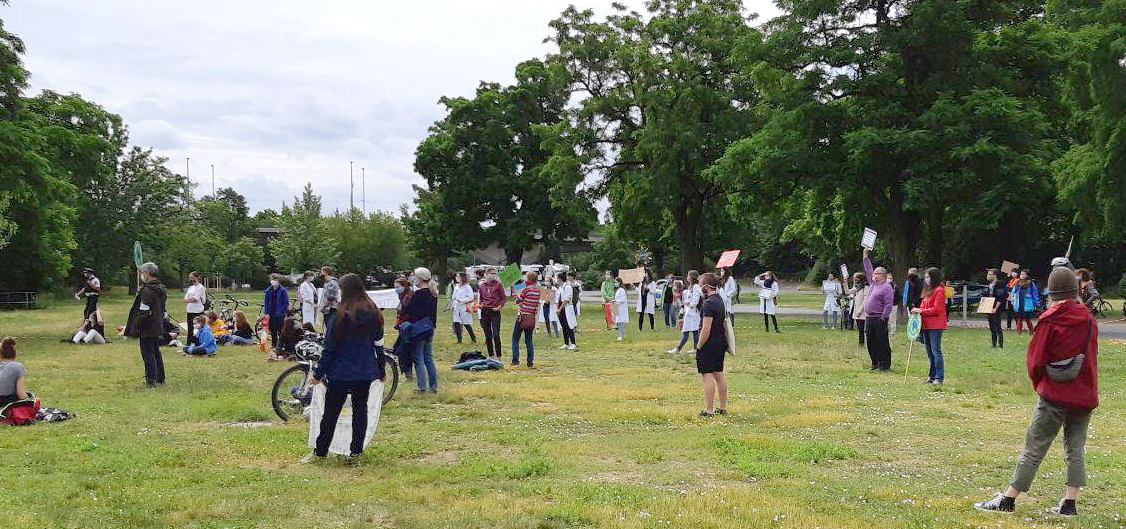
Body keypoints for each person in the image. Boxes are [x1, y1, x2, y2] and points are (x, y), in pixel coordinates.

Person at [974, 267, 1098, 517]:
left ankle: (1008, 499)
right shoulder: (1088, 318)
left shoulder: (1050, 320)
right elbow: (1092, 357)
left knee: (1034, 446)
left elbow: (1035, 361)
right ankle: (1069, 503)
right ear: (1074, 291)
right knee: (1075, 448)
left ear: (1052, 291)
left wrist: (1041, 385)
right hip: (1084, 393)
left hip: (1055, 395)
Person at [302, 272, 386, 464]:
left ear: (345, 291)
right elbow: (379, 345)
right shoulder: (374, 313)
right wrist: (381, 370)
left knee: (330, 413)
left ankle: (320, 452)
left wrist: (318, 373)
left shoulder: (339, 316)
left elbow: (330, 349)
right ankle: (355, 453)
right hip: (364, 371)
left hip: (340, 372)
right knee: (360, 411)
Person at [125, 262, 168, 387]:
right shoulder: (161, 288)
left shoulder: (147, 290)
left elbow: (143, 311)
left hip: (147, 326)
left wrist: (135, 326)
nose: (141, 275)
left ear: (147, 273)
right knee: (156, 352)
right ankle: (160, 378)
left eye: (142, 273)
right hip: (157, 324)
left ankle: (151, 381)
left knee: (148, 354)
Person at [696, 273, 729, 418]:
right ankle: (722, 408)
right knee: (719, 374)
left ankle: (709, 410)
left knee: (707, 376)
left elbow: (706, 328)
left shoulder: (708, 303)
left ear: (706, 286)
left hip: (709, 343)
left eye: (700, 284)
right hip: (720, 342)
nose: (699, 287)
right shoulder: (719, 300)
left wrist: (699, 345)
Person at [405, 267, 439, 393]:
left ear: (419, 278)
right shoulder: (433, 293)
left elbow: (409, 311)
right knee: (428, 357)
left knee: (418, 358)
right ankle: (434, 386)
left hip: (418, 329)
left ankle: (422, 387)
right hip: (429, 327)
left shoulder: (418, 294)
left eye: (414, 276)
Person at [912, 267, 947, 384]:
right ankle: (932, 376)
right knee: (930, 352)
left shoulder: (939, 290)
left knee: (936, 351)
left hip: (936, 326)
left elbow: (937, 309)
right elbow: (923, 306)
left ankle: (939, 377)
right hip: (926, 325)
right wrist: (917, 310)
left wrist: (921, 311)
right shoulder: (928, 291)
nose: (926, 279)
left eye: (928, 277)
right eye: (925, 277)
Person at [862, 248, 894, 371]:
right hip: (869, 317)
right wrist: (865, 255)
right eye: (874, 273)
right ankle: (874, 363)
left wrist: (883, 317)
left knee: (882, 342)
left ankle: (884, 364)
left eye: (877, 274)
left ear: (883, 276)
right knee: (871, 341)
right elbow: (868, 269)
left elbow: (888, 304)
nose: (874, 275)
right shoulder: (873, 284)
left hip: (879, 318)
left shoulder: (886, 287)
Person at [511, 271, 541, 367]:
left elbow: (518, 300)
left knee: (515, 338)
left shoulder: (526, 289)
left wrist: (515, 293)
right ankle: (530, 362)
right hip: (531, 317)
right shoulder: (537, 290)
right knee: (529, 340)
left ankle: (515, 361)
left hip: (522, 316)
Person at [669, 270, 701, 354]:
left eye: (688, 276)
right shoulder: (691, 287)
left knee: (687, 331)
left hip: (692, 313)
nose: (687, 277)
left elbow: (696, 298)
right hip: (689, 312)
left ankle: (678, 349)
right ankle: (695, 348)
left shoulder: (696, 286)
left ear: (692, 277)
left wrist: (691, 304)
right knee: (694, 331)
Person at [478, 267, 506, 358]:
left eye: (495, 273)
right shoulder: (482, 285)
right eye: (492, 273)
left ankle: (499, 356)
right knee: (488, 335)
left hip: (495, 311)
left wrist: (499, 307)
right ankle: (491, 355)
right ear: (487, 274)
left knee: (496, 334)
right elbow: (481, 298)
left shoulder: (498, 284)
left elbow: (503, 298)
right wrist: (480, 305)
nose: (494, 275)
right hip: (485, 311)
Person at [391, 277, 414, 380]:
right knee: (400, 349)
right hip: (403, 325)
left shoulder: (407, 297)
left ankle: (407, 373)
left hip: (406, 325)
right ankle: (406, 372)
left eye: (398, 287)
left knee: (402, 350)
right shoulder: (402, 296)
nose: (396, 289)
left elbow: (407, 312)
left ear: (404, 286)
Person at [264, 273, 290, 354]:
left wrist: (283, 312)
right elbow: (266, 302)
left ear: (278, 281)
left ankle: (282, 345)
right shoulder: (268, 290)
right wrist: (267, 313)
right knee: (273, 330)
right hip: (271, 312)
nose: (273, 282)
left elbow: (286, 302)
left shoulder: (283, 290)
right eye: (272, 280)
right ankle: (274, 344)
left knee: (281, 330)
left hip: (280, 313)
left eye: (274, 280)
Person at [0, 337, 29, 408]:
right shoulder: (18, 367)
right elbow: (21, 394)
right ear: (15, 353)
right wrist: (29, 398)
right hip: (6, 401)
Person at [451, 272, 478, 345]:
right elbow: (453, 297)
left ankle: (473, 339)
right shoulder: (456, 286)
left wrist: (462, 300)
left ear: (462, 278)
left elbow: (471, 297)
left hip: (464, 307)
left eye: (458, 276)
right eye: (456, 276)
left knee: (466, 323)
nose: (457, 278)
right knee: (456, 323)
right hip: (457, 307)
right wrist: (453, 305)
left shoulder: (467, 287)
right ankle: (459, 340)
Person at [985, 269, 1009, 349]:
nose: (988, 275)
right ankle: (993, 344)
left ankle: (1000, 345)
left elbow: (1000, 298)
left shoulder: (1000, 285)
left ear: (995, 275)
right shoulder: (990, 285)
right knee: (992, 327)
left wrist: (995, 308)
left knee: (997, 326)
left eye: (990, 274)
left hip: (996, 308)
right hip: (989, 307)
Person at [1011, 269, 1040, 334]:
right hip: (1019, 303)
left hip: (1028, 304)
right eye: (1021, 274)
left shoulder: (1031, 283)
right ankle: (1019, 333)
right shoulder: (1017, 282)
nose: (1022, 275)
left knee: (1027, 319)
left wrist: (1035, 303)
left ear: (1027, 275)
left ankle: (1031, 332)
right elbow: (1013, 292)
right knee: (1020, 318)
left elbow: (1035, 294)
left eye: (1023, 274)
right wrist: (1013, 300)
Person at [556, 272, 579, 350]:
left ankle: (573, 343)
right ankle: (566, 343)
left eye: (557, 278)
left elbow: (566, 299)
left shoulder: (567, 287)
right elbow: (557, 299)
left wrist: (560, 308)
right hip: (560, 308)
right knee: (563, 326)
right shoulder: (559, 288)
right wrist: (557, 308)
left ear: (560, 278)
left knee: (569, 325)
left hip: (566, 308)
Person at [183, 271, 206, 346]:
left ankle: (200, 342)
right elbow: (185, 298)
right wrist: (189, 299)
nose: (191, 279)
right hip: (190, 310)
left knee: (199, 327)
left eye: (192, 278)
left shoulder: (201, 287)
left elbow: (196, 298)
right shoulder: (191, 288)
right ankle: (188, 344)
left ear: (196, 278)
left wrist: (190, 299)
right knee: (190, 329)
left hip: (198, 310)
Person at [850, 273, 869, 346]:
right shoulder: (857, 287)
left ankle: (862, 342)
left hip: (862, 311)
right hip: (856, 309)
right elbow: (848, 291)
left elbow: (865, 300)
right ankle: (861, 342)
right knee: (859, 327)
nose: (855, 279)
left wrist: (860, 311)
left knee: (862, 327)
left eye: (856, 278)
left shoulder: (865, 287)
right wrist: (845, 283)